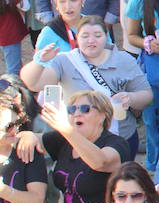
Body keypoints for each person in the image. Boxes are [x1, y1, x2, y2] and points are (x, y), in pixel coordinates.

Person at [21, 14, 151, 153]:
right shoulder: (65, 61)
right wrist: (39, 62)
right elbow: (34, 84)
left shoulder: (123, 60)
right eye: (85, 36)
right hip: (78, 139)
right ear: (77, 38)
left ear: (106, 36)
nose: (91, 40)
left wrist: (130, 98)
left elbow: (147, 95)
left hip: (120, 136)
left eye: (97, 35)